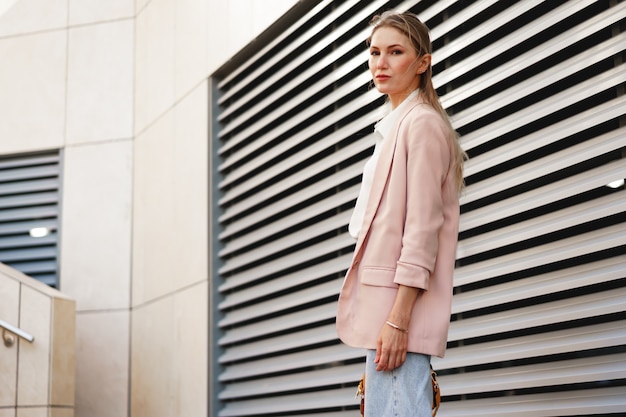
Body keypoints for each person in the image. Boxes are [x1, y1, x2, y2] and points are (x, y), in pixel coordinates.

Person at [336, 10, 465, 417]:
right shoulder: (395, 125)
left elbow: (422, 232)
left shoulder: (421, 125)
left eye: (395, 52)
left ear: (422, 62)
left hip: (398, 318)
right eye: (375, 52)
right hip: (387, 316)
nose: (381, 63)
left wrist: (398, 321)